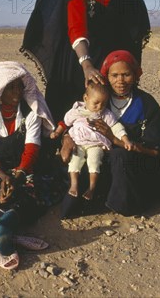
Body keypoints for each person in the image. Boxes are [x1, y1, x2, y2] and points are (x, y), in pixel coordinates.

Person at [21, 0, 150, 124]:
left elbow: (130, 11)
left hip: (109, 54)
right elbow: (76, 25)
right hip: (79, 56)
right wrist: (86, 64)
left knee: (108, 105)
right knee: (76, 106)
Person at [67, 50, 160, 217]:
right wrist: (67, 137)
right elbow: (75, 120)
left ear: (135, 75)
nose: (120, 81)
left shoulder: (146, 103)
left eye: (126, 74)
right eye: (114, 75)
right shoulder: (98, 99)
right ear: (106, 76)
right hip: (97, 158)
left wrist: (115, 139)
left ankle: (126, 204)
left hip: (134, 163)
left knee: (120, 156)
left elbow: (158, 150)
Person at [0, 61, 54, 270]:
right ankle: (8, 234)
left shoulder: (30, 113)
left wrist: (18, 176)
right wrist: (1, 175)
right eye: (10, 87)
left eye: (18, 86)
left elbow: (32, 149)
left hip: (25, 170)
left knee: (31, 196)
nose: (17, 91)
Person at [51, 81, 132, 218]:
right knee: (75, 161)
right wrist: (57, 133)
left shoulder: (105, 114)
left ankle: (92, 188)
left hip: (96, 144)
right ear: (85, 98)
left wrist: (125, 139)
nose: (99, 107)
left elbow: (116, 127)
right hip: (79, 143)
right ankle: (74, 185)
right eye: (96, 103)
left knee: (94, 162)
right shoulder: (77, 111)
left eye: (103, 103)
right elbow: (64, 123)